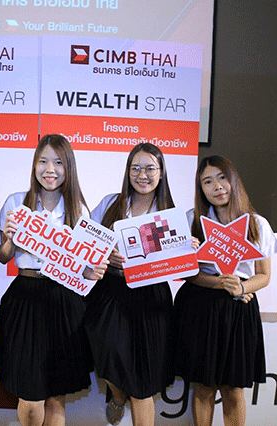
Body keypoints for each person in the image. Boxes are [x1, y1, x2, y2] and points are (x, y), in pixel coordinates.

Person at [0, 134, 107, 426]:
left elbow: (81, 267)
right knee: (30, 397)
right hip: (25, 298)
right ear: (34, 165)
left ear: (68, 168)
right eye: (43, 161)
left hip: (63, 301)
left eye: (58, 162)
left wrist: (90, 272)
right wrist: (9, 239)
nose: (50, 169)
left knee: (56, 396)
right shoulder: (16, 202)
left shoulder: (78, 209)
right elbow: (3, 257)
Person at [174, 155, 277, 426]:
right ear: (201, 189)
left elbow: (264, 276)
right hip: (200, 307)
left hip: (239, 308)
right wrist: (221, 283)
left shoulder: (257, 223)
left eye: (222, 178)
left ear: (233, 180)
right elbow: (187, 272)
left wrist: (241, 287)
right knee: (203, 386)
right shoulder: (191, 220)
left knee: (233, 389)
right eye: (207, 181)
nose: (217, 186)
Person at [84, 143, 177, 426]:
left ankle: (128, 395)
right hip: (110, 292)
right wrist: (105, 254)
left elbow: (178, 262)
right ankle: (117, 394)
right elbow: (87, 243)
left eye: (150, 168)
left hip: (151, 296)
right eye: (135, 168)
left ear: (161, 173)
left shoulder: (169, 212)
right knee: (106, 356)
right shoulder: (110, 203)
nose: (142, 175)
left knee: (143, 381)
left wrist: (188, 247)